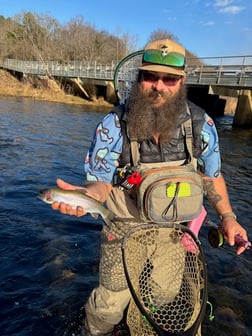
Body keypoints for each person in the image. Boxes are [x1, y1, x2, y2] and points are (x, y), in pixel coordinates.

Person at [51, 39, 248, 335]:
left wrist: (228, 218)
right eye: (150, 76)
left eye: (169, 79)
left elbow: (211, 176)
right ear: (139, 77)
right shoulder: (113, 124)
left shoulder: (201, 124)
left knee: (161, 293)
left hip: (173, 229)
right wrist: (86, 197)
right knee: (109, 302)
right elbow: (100, 182)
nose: (159, 85)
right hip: (123, 224)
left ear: (182, 82)